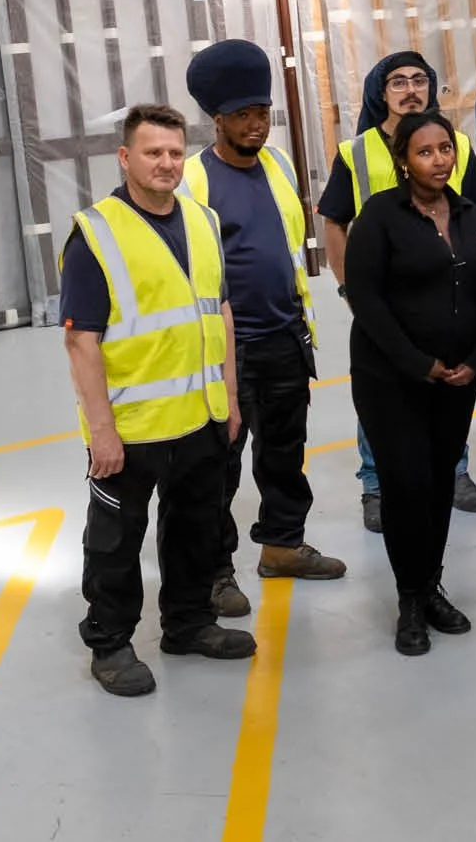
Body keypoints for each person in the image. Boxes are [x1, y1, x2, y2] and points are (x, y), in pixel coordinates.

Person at [59, 104, 255, 696]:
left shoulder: (202, 220)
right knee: (116, 541)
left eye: (174, 152)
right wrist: (102, 431)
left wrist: (229, 394)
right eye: (152, 152)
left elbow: (217, 310)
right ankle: (111, 642)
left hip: (199, 414)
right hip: (132, 425)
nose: (166, 163)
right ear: (126, 158)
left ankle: (188, 622)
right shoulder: (96, 232)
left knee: (196, 526)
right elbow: (80, 340)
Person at [181, 42, 345, 625]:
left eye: (262, 112)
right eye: (243, 115)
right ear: (217, 119)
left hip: (283, 336)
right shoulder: (193, 180)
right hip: (227, 350)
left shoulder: (276, 164)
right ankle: (214, 572)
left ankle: (281, 545)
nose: (256, 124)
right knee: (217, 465)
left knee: (284, 454)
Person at [344, 112, 476, 656]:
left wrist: (474, 361)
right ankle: (409, 600)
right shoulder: (380, 216)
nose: (439, 160)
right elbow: (366, 300)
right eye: (425, 152)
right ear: (403, 161)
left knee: (437, 486)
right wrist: (420, 363)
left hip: (456, 380)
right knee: (406, 487)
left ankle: (431, 586)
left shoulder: (469, 216)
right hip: (392, 379)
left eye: (445, 149)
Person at [319, 51, 476, 526]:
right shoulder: (355, 151)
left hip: (448, 293)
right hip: (387, 296)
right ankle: (376, 485)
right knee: (384, 388)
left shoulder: (454, 142)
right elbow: (333, 222)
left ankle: (453, 471)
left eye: (419, 80)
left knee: (451, 381)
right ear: (382, 93)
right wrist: (349, 288)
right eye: (398, 82)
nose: (410, 89)